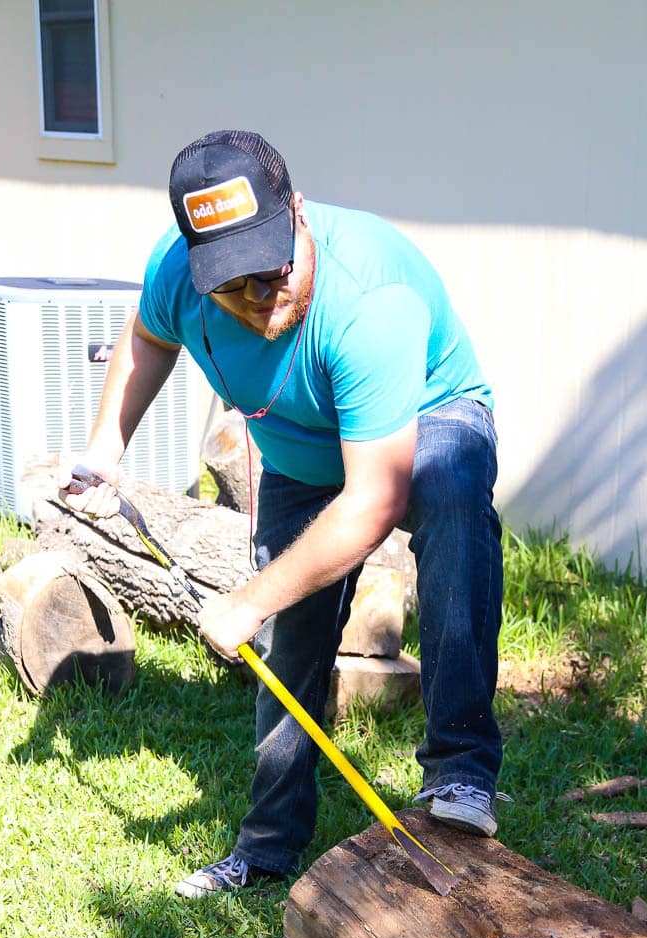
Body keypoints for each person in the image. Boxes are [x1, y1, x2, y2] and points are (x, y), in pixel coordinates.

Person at [60, 128, 504, 897]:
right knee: (289, 637)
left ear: (297, 212)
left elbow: (374, 499)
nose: (264, 297)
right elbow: (147, 337)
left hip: (424, 419)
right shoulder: (179, 276)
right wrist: (106, 446)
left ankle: (460, 776)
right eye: (237, 287)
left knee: (455, 500)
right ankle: (266, 848)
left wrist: (246, 598)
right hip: (301, 450)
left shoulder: (371, 302)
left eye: (275, 271)